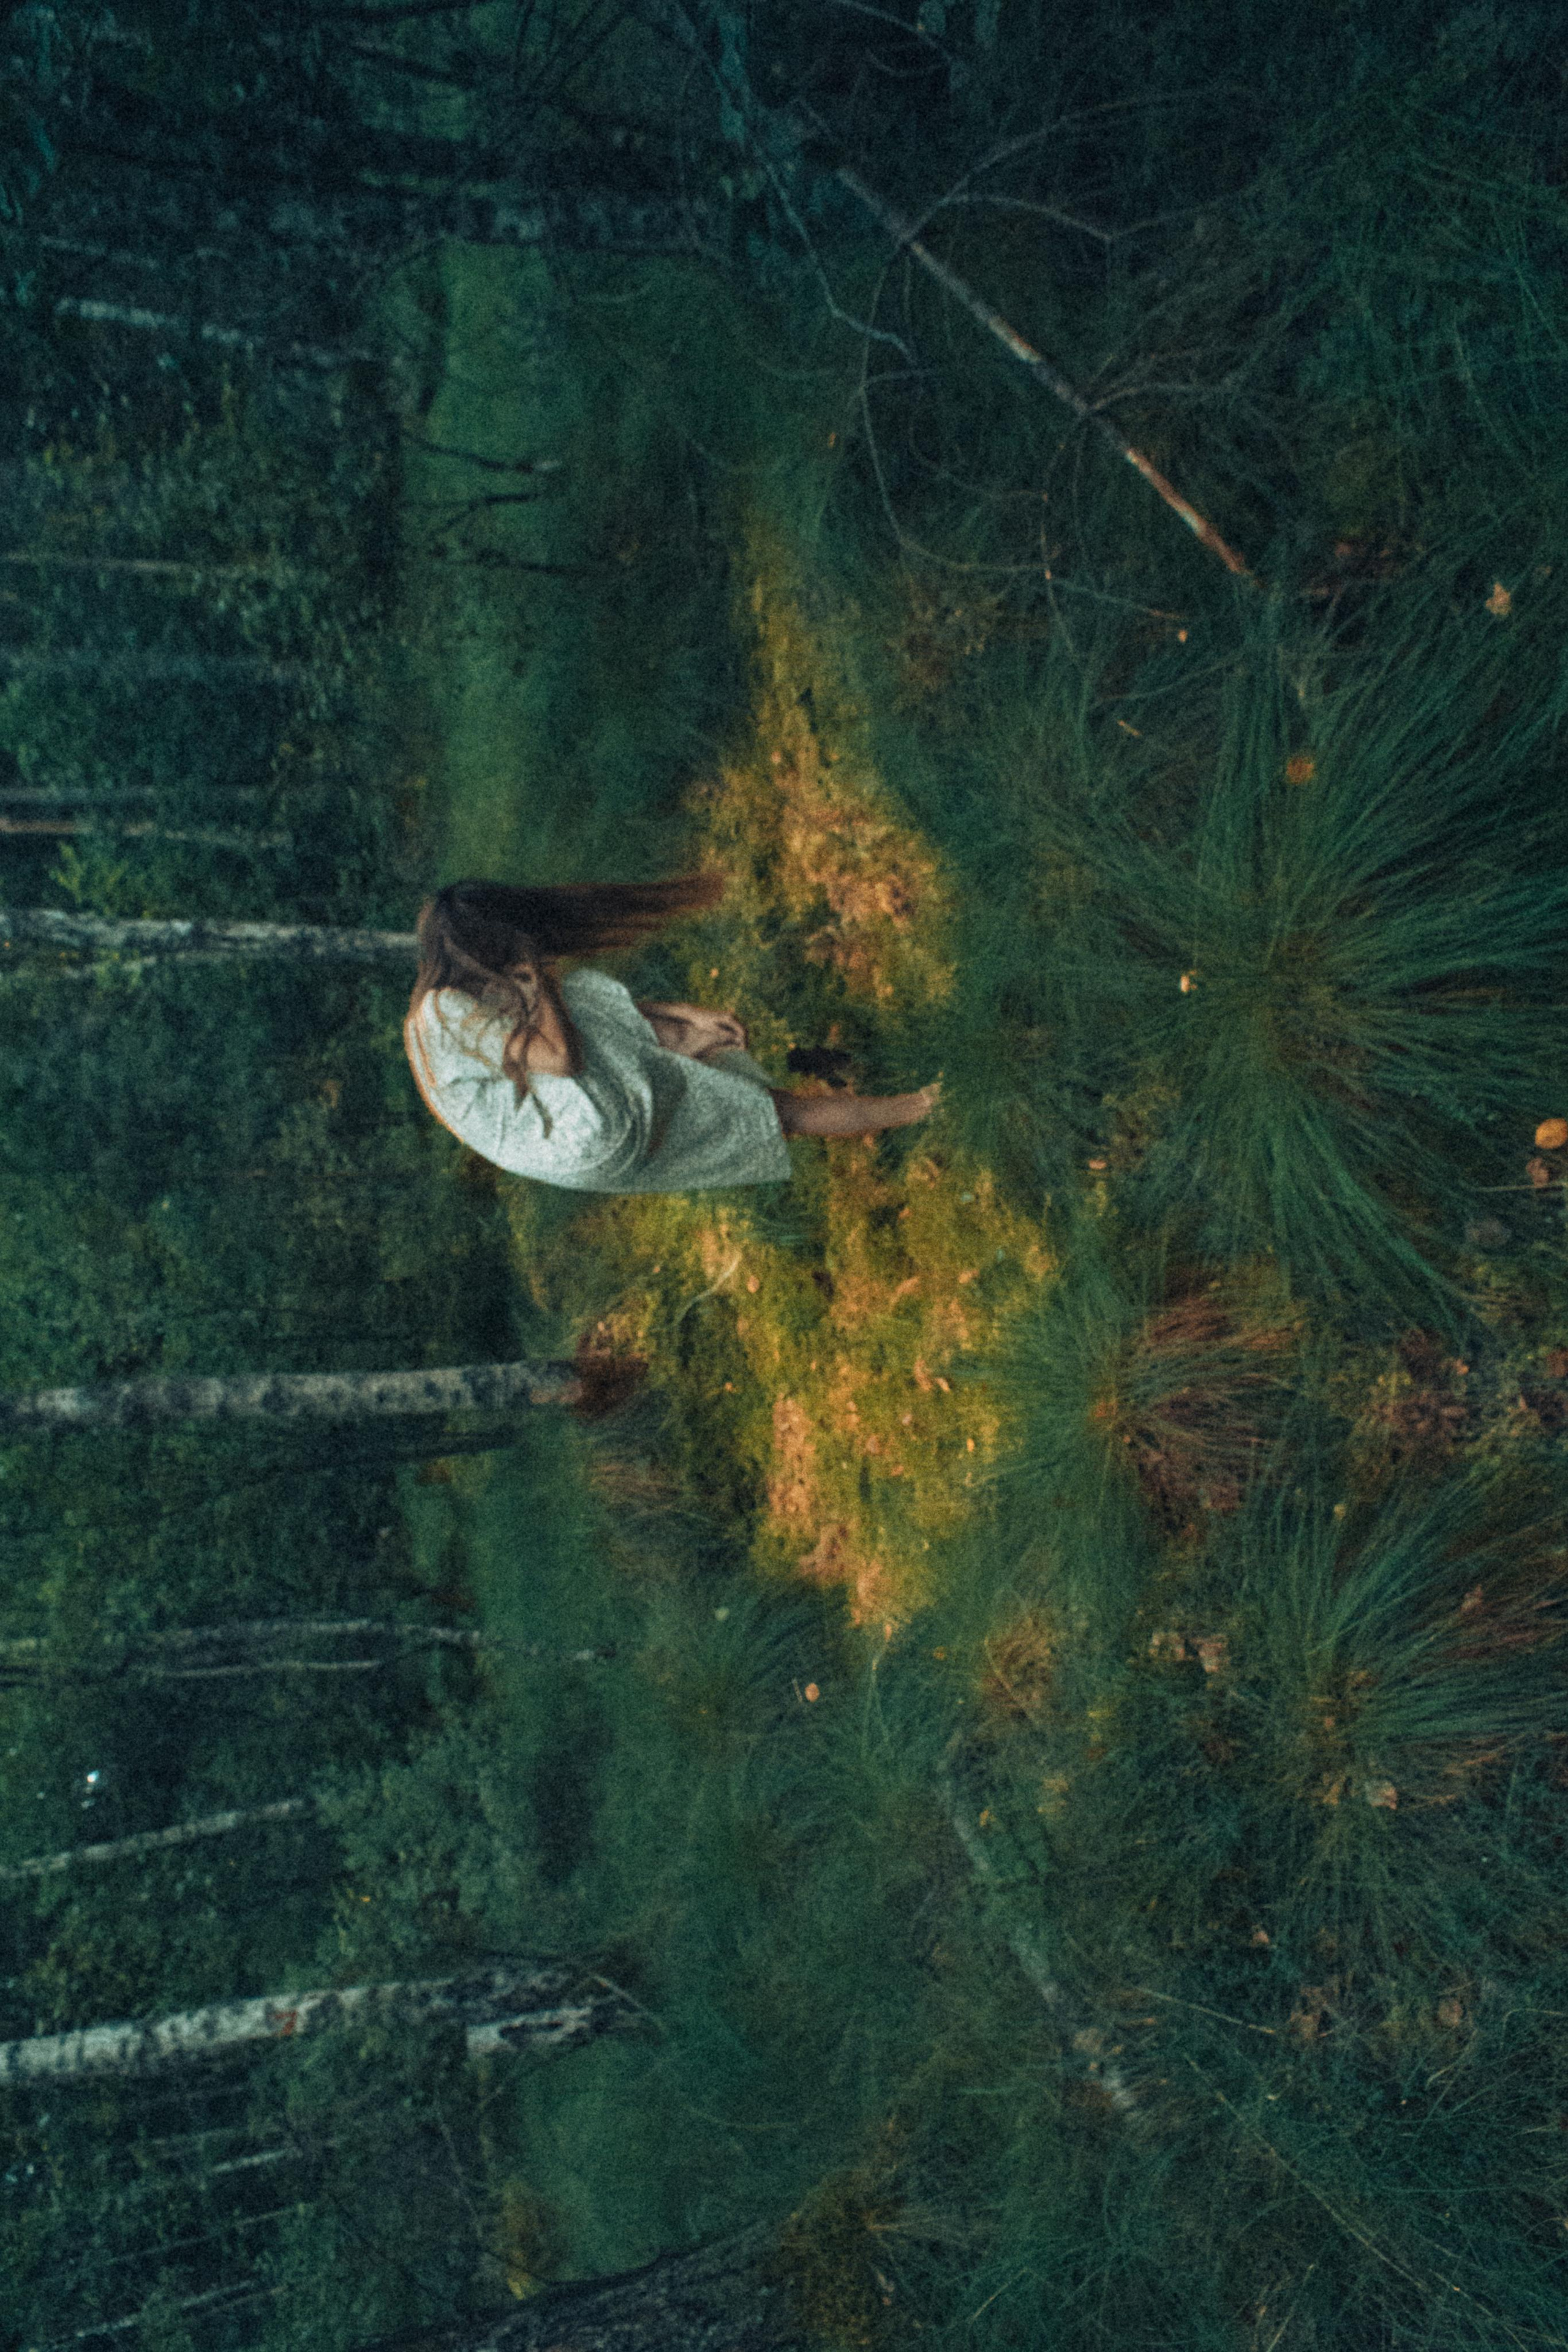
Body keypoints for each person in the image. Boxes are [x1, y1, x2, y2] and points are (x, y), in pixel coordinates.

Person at [403, 874, 941, 1194]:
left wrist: (681, 1012)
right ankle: (687, 1043)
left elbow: (581, 1021)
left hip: (584, 1153)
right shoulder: (443, 1013)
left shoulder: (449, 1010)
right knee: (560, 996)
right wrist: (535, 973)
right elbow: (564, 1058)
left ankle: (917, 1107)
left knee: (776, 1112)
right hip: (586, 1125)